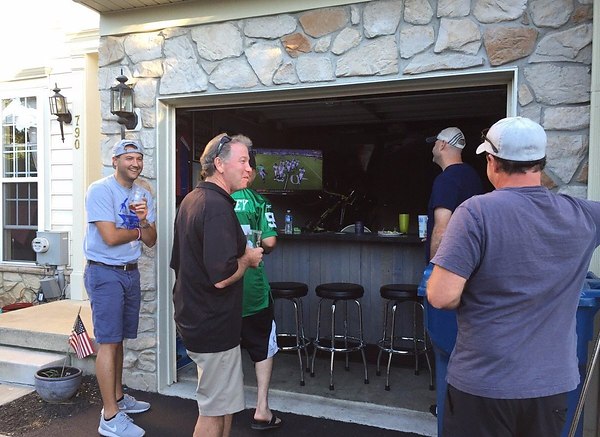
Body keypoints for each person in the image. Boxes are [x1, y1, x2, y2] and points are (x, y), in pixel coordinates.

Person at [427, 116, 600, 437]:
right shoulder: (586, 214)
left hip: (485, 383)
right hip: (551, 386)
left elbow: (441, 296)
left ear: (492, 161)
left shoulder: (475, 212)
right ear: (541, 163)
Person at [170, 133, 264, 437]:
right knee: (212, 411)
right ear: (220, 165)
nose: (249, 168)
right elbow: (221, 276)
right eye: (243, 161)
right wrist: (248, 259)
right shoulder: (216, 207)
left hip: (201, 320)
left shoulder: (192, 200)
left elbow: (180, 263)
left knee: (223, 406)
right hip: (212, 325)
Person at [84, 139, 157, 437]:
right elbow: (110, 237)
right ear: (115, 161)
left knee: (119, 339)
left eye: (139, 158)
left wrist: (144, 221)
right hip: (105, 273)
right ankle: (110, 417)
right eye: (129, 158)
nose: (135, 163)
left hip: (130, 272)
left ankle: (118, 398)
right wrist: (139, 230)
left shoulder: (143, 194)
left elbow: (151, 240)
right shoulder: (100, 190)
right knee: (108, 341)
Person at [423, 127, 483, 419]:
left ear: (444, 145)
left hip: (450, 276)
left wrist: (434, 270)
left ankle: (449, 409)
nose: (432, 148)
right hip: (472, 274)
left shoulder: (447, 179)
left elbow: (442, 228)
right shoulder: (474, 177)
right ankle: (466, 407)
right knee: (466, 346)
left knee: (446, 345)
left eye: (435, 143)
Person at [231, 151, 282, 431]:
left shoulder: (214, 199)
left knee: (224, 351)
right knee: (262, 347)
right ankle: (261, 408)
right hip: (253, 290)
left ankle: (224, 407)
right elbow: (270, 242)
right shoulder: (258, 201)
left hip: (220, 291)